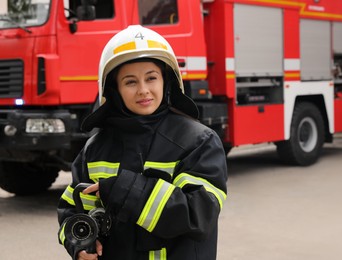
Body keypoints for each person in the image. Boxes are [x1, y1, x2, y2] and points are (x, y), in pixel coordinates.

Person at [57, 25, 228, 260]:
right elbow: (70, 210)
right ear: (113, 89)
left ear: (166, 81)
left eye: (151, 78)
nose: (143, 90)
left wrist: (127, 190)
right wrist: (79, 244)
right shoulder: (94, 148)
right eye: (130, 82)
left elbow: (198, 216)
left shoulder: (199, 142)